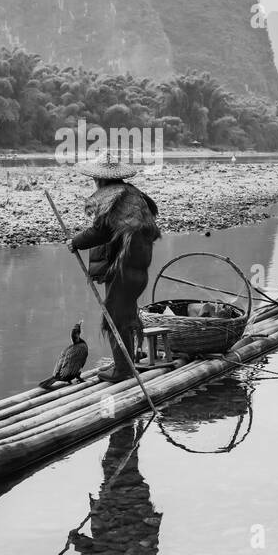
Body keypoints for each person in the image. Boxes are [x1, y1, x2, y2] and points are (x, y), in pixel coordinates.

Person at [70, 150, 161, 382]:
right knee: (125, 316)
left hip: (122, 270)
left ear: (99, 178)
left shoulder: (112, 197)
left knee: (115, 319)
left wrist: (76, 242)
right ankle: (127, 363)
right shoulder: (133, 195)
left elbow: (101, 231)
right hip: (138, 270)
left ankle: (122, 370)